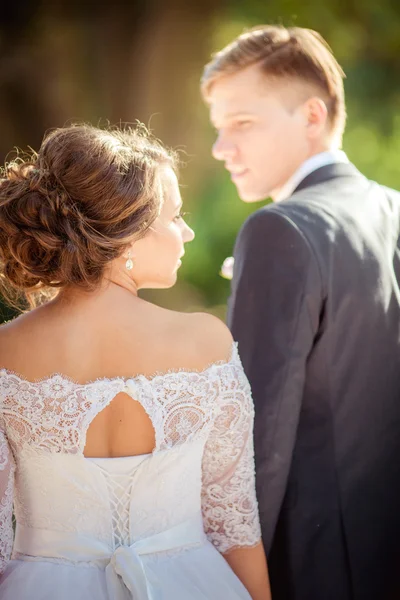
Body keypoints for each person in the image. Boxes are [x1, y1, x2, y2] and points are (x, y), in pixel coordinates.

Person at [0, 124, 271, 600]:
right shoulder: (205, 343)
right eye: (176, 217)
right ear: (126, 238)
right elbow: (235, 524)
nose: (187, 231)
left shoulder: (6, 350)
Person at [202, 24, 400, 600]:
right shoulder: (391, 208)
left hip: (312, 566)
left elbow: (255, 431)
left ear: (312, 116)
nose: (221, 149)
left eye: (242, 124)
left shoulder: (279, 227)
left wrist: (230, 581)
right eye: (219, 129)